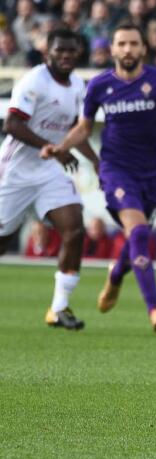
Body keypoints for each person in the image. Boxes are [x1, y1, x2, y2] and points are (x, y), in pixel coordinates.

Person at [54, 22, 156, 332]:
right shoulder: (98, 85)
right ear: (113, 49)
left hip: (152, 174)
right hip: (116, 170)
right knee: (140, 233)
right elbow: (84, 128)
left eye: (134, 43)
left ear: (143, 48)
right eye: (122, 44)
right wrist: (60, 146)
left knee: (139, 236)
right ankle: (155, 308)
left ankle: (117, 274)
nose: (128, 49)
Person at [0, 28, 96, 330]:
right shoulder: (34, 80)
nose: (66, 56)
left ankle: (59, 308)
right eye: (60, 51)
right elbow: (12, 124)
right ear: (47, 54)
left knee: (74, 227)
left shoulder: (78, 85)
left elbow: (75, 132)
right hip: (15, 171)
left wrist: (97, 162)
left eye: (71, 51)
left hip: (49, 170)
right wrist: (51, 149)